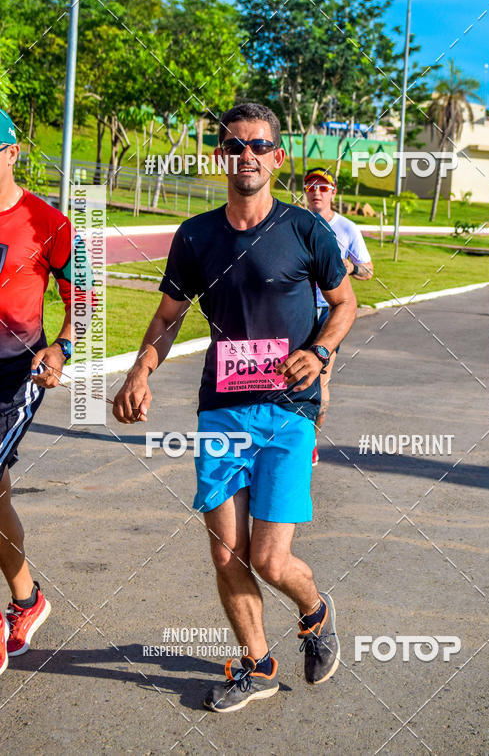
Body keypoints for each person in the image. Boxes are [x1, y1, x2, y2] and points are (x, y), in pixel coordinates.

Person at [113, 102, 357, 713]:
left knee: (270, 560)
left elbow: (345, 303)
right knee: (226, 552)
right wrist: (140, 371)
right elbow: (168, 318)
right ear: (221, 156)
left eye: (257, 145)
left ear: (276, 157)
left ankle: (314, 609)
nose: (244, 156)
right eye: (233, 146)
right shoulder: (196, 235)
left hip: (289, 411)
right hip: (221, 411)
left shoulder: (307, 231)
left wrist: (321, 351)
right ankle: (258, 664)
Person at [0, 109, 89, 673]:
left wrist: (62, 348)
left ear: (11, 153)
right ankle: (27, 602)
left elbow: (84, 296)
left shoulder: (49, 222)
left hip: (15, 373)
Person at [304, 167, 373, 465]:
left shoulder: (347, 228)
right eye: (311, 187)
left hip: (331, 312)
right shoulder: (296, 222)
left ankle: (311, 442)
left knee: (321, 378)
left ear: (333, 192)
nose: (316, 192)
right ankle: (288, 438)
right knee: (286, 374)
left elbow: (368, 270)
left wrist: (349, 268)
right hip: (299, 308)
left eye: (323, 187)